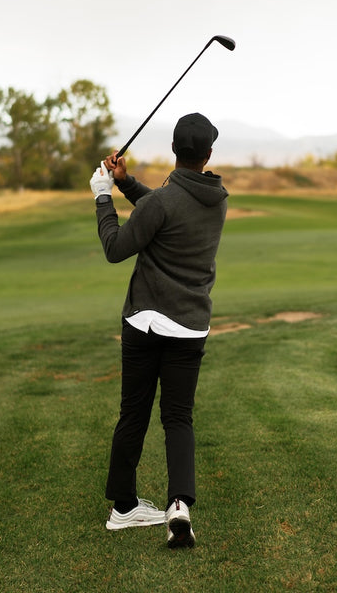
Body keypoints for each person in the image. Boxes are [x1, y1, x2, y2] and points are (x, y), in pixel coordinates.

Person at [89, 113, 228, 548]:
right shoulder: (217, 199)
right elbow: (162, 209)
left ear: (173, 150)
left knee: (134, 413)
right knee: (178, 417)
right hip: (188, 328)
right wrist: (127, 184)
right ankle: (179, 506)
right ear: (207, 155)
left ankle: (124, 508)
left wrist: (102, 196)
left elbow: (116, 248)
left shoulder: (162, 203)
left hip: (144, 323)